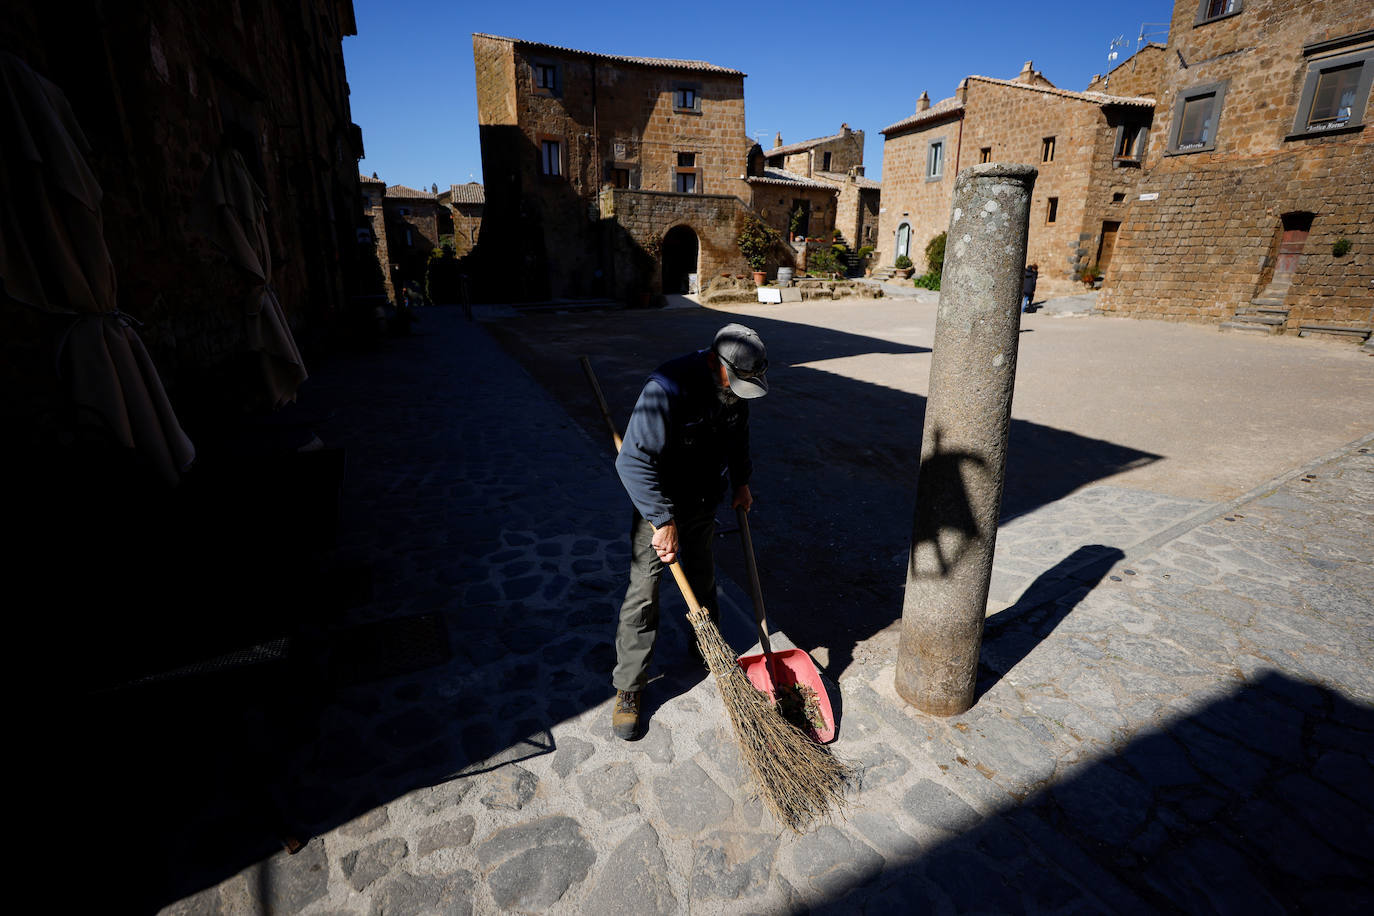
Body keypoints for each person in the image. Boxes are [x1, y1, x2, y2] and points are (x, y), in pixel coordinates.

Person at [610, 324, 769, 740]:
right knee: (644, 593)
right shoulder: (667, 388)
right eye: (736, 382)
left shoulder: (734, 390)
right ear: (720, 365)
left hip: (703, 500)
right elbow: (631, 462)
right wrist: (662, 522)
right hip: (660, 507)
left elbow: (738, 436)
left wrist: (741, 482)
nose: (739, 391)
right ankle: (629, 686)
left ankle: (707, 648)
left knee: (703, 576)